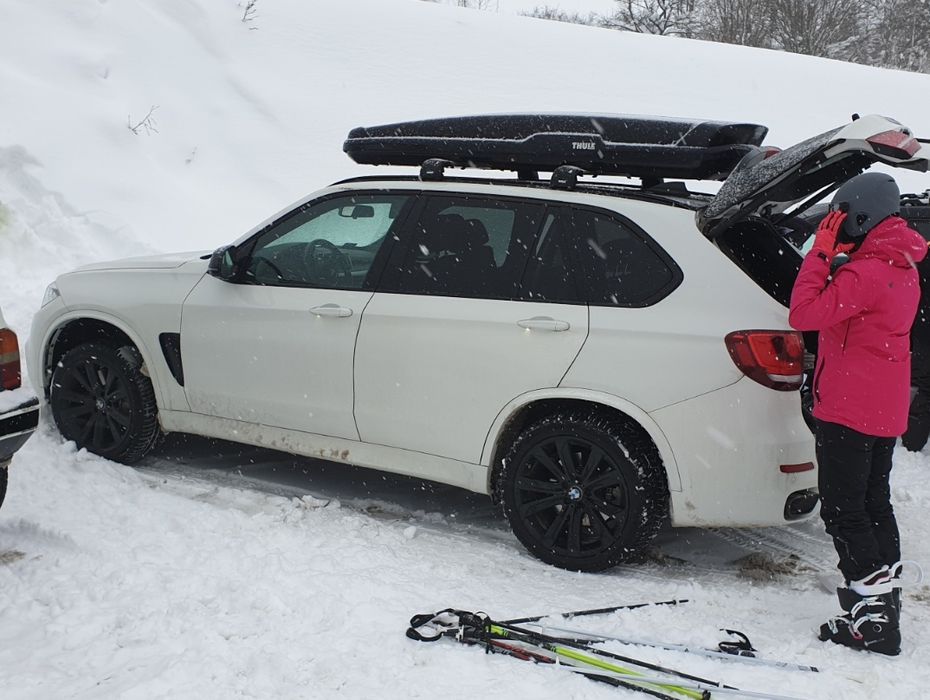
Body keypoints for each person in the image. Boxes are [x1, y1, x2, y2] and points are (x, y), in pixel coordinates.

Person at [789, 171, 926, 656]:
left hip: (848, 409)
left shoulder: (862, 274)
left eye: (840, 219)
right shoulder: (902, 266)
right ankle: (885, 605)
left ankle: (873, 621)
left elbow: (803, 313)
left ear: (861, 217)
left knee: (844, 511)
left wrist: (821, 253)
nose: (836, 228)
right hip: (883, 408)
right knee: (873, 504)